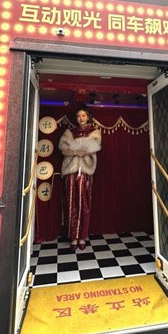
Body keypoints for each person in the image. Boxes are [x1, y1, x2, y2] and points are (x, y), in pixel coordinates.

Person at [58, 108, 102, 252]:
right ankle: (73, 237)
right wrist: (75, 151)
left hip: (85, 171)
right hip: (70, 170)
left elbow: (94, 148)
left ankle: (82, 236)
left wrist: (84, 151)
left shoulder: (94, 132)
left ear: (88, 117)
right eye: (78, 116)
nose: (81, 118)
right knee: (71, 202)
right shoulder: (69, 132)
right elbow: (63, 149)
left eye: (83, 115)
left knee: (84, 203)